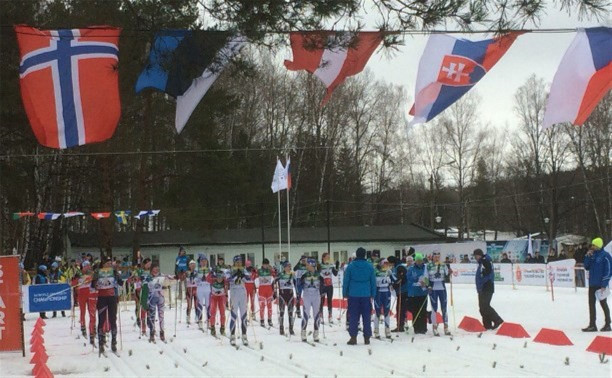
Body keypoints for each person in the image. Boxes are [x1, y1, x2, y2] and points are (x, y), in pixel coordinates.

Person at [343, 247, 376, 345]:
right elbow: (373, 281)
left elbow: (346, 281)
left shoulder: (351, 266)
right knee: (366, 316)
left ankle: (353, 337)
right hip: (366, 294)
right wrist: (373, 293)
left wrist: (345, 293)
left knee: (353, 316)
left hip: (353, 294)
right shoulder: (370, 266)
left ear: (356, 255)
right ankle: (367, 337)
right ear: (365, 255)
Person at [91, 257, 123, 354]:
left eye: (110, 263)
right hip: (102, 298)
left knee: (113, 319)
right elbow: (93, 285)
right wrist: (95, 284)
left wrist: (118, 278)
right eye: (107, 263)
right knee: (102, 320)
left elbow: (121, 282)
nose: (109, 265)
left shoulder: (113, 271)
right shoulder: (98, 272)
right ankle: (101, 342)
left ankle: (114, 342)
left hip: (112, 297)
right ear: (103, 264)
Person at [582, 237, 611, 332]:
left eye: (594, 245)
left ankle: (608, 323)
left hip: (600, 284)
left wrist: (604, 283)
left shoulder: (605, 256)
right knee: (591, 304)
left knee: (603, 303)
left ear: (598, 245)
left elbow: (608, 270)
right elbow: (586, 267)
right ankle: (592, 324)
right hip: (592, 283)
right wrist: (587, 256)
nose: (592, 247)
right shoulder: (592, 255)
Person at [474, 248, 503, 330]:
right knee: (482, 307)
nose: (475, 258)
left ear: (479, 255)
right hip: (483, 287)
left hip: (486, 286)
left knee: (485, 306)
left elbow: (488, 272)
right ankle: (487, 325)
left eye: (475, 256)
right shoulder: (483, 261)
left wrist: (482, 281)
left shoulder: (485, 261)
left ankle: (497, 320)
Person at [427, 252, 451, 336]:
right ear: (432, 257)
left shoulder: (443, 265)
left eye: (438, 257)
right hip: (433, 289)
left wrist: (450, 272)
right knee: (434, 308)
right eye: (435, 257)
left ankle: (446, 327)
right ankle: (434, 327)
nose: (437, 258)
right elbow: (426, 277)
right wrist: (428, 286)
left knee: (444, 307)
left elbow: (447, 274)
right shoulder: (429, 265)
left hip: (442, 288)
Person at [300, 258, 324, 342]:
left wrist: (322, 291)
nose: (306, 266)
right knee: (306, 314)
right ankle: (303, 332)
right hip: (307, 295)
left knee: (316, 315)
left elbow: (323, 284)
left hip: (316, 296)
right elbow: (299, 284)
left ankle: (316, 332)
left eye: (307, 265)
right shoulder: (304, 274)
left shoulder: (319, 274)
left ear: (312, 265)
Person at [229, 255, 251, 346]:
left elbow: (249, 279)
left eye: (240, 262)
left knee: (244, 315)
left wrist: (242, 275)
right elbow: (228, 279)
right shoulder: (230, 270)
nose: (239, 263)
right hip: (234, 293)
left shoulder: (243, 269)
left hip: (242, 293)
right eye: (237, 262)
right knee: (234, 315)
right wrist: (235, 275)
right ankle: (232, 336)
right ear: (234, 262)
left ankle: (244, 335)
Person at [73, 261, 97, 343]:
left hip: (90, 294)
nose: (88, 267)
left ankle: (93, 327)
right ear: (82, 267)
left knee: (92, 312)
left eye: (89, 266)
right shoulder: (78, 273)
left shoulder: (92, 273)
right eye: (86, 266)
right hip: (81, 294)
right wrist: (74, 279)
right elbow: (73, 284)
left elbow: (95, 282)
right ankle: (83, 326)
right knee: (82, 311)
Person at [406, 253, 428, 334]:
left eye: (420, 260)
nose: (419, 262)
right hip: (414, 293)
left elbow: (428, 277)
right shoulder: (411, 268)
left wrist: (425, 282)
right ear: (415, 261)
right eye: (418, 260)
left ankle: (423, 328)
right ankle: (416, 327)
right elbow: (408, 277)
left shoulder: (425, 267)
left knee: (423, 311)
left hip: (423, 292)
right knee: (415, 311)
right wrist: (417, 279)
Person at [145, 264, 167, 342]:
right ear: (151, 269)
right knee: (152, 316)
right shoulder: (148, 277)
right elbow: (144, 286)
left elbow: (170, 278)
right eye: (155, 268)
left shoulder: (161, 275)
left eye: (157, 268)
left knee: (161, 316)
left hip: (161, 297)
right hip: (152, 298)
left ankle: (162, 332)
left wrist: (177, 277)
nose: (156, 270)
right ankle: (152, 333)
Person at [131, 258, 151, 336]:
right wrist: (137, 278)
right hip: (139, 290)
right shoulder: (139, 271)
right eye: (148, 264)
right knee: (139, 306)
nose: (149, 265)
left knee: (148, 308)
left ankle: (148, 322)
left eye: (150, 264)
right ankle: (139, 320)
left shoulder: (151, 271)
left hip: (148, 291)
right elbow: (134, 280)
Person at [373, 259, 392, 339]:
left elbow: (394, 279)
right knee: (377, 311)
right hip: (378, 293)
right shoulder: (376, 271)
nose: (386, 265)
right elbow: (372, 281)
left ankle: (387, 329)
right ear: (381, 263)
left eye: (387, 263)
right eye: (385, 263)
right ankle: (376, 330)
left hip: (386, 292)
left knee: (387, 311)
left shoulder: (388, 271)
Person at [275, 262, 296, 336]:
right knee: (282, 312)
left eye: (290, 266)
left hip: (290, 295)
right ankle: (281, 328)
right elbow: (274, 282)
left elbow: (296, 284)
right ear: (284, 267)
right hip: (282, 295)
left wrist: (298, 293)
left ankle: (291, 328)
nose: (289, 268)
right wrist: (274, 292)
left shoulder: (292, 274)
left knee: (290, 312)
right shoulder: (280, 274)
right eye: (287, 266)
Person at [319, 252, 339, 325]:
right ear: (323, 258)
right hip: (323, 285)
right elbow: (317, 274)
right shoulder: (320, 265)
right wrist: (322, 281)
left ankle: (330, 316)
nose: (328, 258)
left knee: (330, 300)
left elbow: (335, 274)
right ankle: (321, 316)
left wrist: (337, 266)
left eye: (329, 257)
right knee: (322, 300)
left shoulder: (331, 265)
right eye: (327, 257)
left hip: (330, 285)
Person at [257, 258, 276, 327]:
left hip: (269, 289)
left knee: (269, 306)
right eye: (265, 264)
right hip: (262, 289)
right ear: (262, 264)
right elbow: (253, 276)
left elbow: (275, 275)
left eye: (267, 264)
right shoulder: (259, 270)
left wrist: (273, 270)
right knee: (262, 306)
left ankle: (269, 319)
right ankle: (262, 320)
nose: (266, 266)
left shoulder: (270, 270)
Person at [209, 267, 227, 336]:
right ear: (216, 277)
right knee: (213, 312)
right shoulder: (212, 280)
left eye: (221, 277)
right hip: (214, 297)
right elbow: (207, 278)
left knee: (222, 312)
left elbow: (230, 279)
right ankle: (212, 327)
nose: (220, 279)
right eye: (218, 277)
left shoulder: (224, 280)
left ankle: (222, 327)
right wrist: (211, 272)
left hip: (221, 298)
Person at [195, 254, 212, 330]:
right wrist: (199, 280)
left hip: (208, 288)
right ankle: (200, 321)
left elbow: (213, 278)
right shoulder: (197, 269)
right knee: (200, 304)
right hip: (200, 288)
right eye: (202, 261)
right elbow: (194, 280)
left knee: (209, 305)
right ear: (200, 262)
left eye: (205, 261)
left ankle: (209, 320)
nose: (204, 262)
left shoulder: (210, 269)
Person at [185, 260, 198, 325]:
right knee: (189, 305)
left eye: (194, 264)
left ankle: (197, 317)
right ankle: (188, 317)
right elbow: (184, 278)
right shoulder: (187, 272)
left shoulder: (197, 272)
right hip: (189, 290)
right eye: (191, 264)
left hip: (195, 289)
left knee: (196, 304)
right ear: (189, 265)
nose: (193, 266)